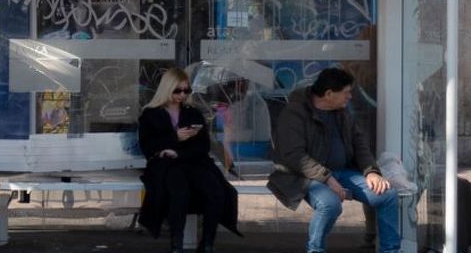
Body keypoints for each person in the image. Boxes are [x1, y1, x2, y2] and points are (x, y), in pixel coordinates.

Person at [268, 65, 400, 253]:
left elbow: (360, 144)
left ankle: (391, 250)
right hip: (305, 176)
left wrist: (371, 171)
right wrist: (327, 178)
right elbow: (294, 156)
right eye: (346, 92)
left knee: (387, 195)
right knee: (330, 204)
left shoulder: (343, 111)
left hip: (343, 172)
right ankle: (315, 249)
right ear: (329, 94)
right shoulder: (295, 114)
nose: (350, 96)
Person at [138, 69, 240, 252]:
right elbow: (148, 145)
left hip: (192, 161)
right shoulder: (150, 114)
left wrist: (180, 151)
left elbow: (203, 146)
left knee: (216, 191)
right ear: (167, 89)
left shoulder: (192, 112)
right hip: (166, 165)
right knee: (179, 193)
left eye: (186, 91)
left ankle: (207, 243)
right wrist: (174, 137)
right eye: (178, 90)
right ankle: (177, 245)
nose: (182, 95)